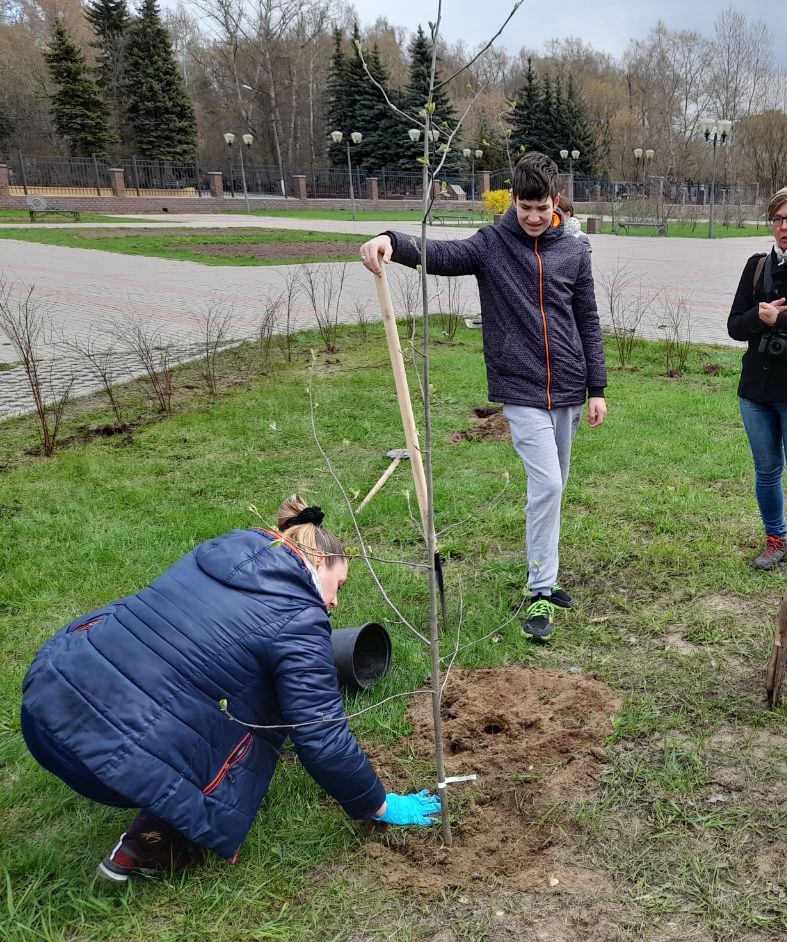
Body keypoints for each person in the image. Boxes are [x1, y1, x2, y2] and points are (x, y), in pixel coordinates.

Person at [20, 495, 439, 884]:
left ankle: (144, 832)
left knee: (216, 672)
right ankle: (152, 844)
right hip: (105, 768)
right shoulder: (299, 618)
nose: (335, 604)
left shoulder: (218, 555)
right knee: (266, 708)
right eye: (340, 586)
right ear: (321, 561)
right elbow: (320, 735)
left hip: (47, 703)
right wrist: (378, 804)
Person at [360, 152, 607, 642]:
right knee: (549, 486)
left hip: (570, 390)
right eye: (524, 207)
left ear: (555, 201)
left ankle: (546, 577)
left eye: (541, 208)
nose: (533, 217)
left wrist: (597, 388)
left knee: (551, 491)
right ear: (512, 200)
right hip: (521, 388)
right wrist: (393, 240)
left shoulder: (573, 252)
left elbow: (588, 321)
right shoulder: (493, 245)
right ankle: (540, 590)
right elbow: (444, 255)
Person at [727, 184, 787, 581]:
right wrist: (759, 318)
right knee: (766, 472)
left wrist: (783, 321)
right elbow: (735, 326)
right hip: (756, 392)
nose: (785, 226)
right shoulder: (756, 266)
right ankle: (776, 540)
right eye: (778, 219)